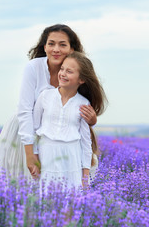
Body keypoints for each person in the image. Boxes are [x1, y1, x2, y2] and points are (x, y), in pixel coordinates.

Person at [0, 24, 99, 181]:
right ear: (44, 46)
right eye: (51, 43)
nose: (56, 49)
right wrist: (29, 153)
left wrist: (92, 120)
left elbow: (80, 107)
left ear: (72, 49)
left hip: (60, 137)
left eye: (62, 44)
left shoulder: (75, 71)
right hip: (25, 132)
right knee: (21, 186)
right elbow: (25, 110)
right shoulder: (33, 67)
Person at [31, 51, 106, 189]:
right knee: (45, 198)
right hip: (46, 153)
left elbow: (85, 142)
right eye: (62, 69)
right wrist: (34, 158)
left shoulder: (83, 104)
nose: (63, 74)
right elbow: (34, 129)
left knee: (70, 200)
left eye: (69, 71)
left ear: (81, 79)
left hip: (71, 157)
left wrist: (85, 177)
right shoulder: (45, 96)